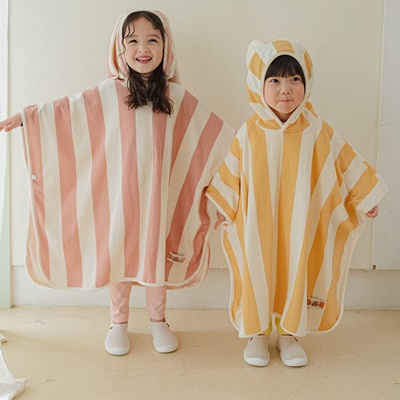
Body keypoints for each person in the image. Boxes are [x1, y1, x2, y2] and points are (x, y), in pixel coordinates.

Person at [0, 10, 234, 356]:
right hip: (119, 200)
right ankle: (118, 322)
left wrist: (248, 150)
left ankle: (158, 321)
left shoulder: (176, 98)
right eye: (133, 40)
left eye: (152, 40)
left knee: (156, 258)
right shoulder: (108, 94)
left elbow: (214, 135)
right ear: (119, 48)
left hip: (159, 199)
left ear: (166, 46)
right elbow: (67, 112)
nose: (143, 48)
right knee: (120, 261)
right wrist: (27, 118)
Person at [206, 39, 387, 367]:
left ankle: (289, 333)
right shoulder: (250, 132)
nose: (285, 89)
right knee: (257, 269)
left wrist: (365, 196)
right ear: (258, 84)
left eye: (294, 79)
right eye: (274, 80)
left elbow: (344, 161)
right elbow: (231, 171)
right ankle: (258, 333)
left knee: (297, 267)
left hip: (301, 221)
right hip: (257, 224)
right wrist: (224, 204)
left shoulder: (316, 130)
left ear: (307, 82)